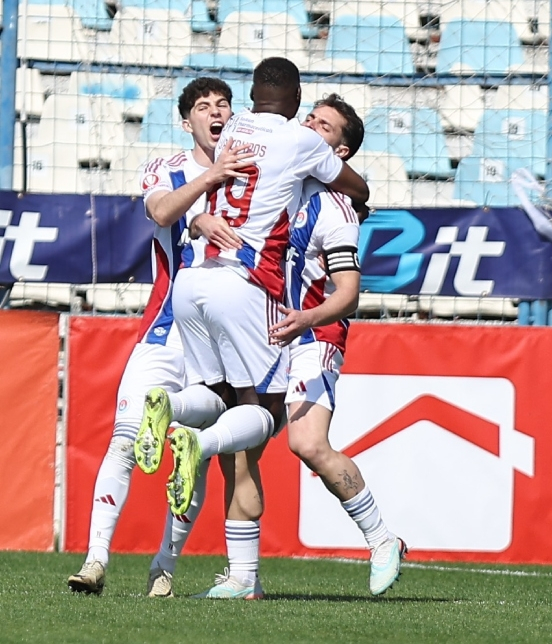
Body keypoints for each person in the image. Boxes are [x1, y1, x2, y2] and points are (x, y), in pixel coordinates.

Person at [136, 57, 370, 599]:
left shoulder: (233, 126)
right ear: (294, 100)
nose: (312, 124)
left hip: (193, 280)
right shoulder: (299, 142)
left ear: (251, 94)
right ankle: (194, 441)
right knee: (262, 418)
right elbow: (353, 184)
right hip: (244, 286)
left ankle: (169, 411)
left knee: (217, 401)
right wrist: (356, 188)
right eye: (307, 113)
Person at [67, 78, 255, 596]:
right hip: (167, 329)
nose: (215, 112)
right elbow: (161, 212)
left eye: (223, 105)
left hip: (221, 339)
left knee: (195, 451)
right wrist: (208, 190)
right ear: (185, 120)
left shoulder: (255, 175)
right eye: (203, 106)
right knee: (126, 438)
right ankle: (95, 562)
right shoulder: (166, 168)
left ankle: (163, 568)